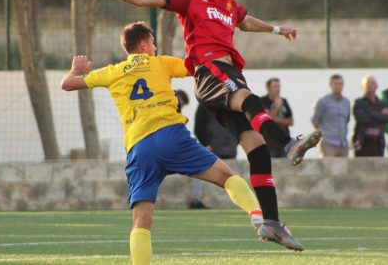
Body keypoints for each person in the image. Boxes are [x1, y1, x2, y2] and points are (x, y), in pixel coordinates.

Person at [85, 0, 321, 249]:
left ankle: (271, 224)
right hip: (211, 70)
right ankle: (289, 143)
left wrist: (277, 29)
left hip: (226, 74)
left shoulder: (230, 6)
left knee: (257, 150)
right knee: (250, 100)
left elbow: (246, 22)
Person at [60, 22, 303, 264]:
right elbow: (198, 67)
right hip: (171, 136)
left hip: (139, 147)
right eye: (152, 43)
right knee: (227, 177)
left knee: (141, 221)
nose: (154, 47)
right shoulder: (160, 62)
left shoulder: (112, 71)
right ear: (144, 45)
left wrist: (75, 69)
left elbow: (68, 84)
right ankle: (258, 216)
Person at [190, 103, 239, 209]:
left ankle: (234, 202)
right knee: (202, 173)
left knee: (230, 176)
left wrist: (236, 142)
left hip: (229, 150)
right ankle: (196, 200)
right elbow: (198, 127)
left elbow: (238, 125)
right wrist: (206, 143)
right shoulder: (204, 105)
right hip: (211, 150)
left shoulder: (231, 103)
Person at [311, 74, 351, 158]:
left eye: (340, 84)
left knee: (343, 170)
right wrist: (323, 135)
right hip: (328, 143)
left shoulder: (346, 102)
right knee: (328, 170)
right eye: (335, 84)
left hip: (343, 143)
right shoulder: (323, 101)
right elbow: (315, 121)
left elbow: (346, 120)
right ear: (331, 85)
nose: (338, 86)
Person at [352, 76, 388, 157]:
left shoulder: (382, 103)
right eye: (367, 83)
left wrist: (370, 113)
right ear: (362, 87)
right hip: (362, 143)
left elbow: (387, 118)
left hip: (378, 143)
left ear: (376, 86)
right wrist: (379, 115)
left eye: (372, 83)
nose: (370, 85)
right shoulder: (358, 102)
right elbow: (361, 119)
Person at [261, 78, 293, 158]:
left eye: (279, 87)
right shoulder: (262, 101)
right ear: (268, 88)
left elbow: (291, 121)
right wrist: (277, 105)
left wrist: (276, 119)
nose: (278, 89)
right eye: (275, 87)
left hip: (284, 143)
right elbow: (267, 121)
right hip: (269, 144)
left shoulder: (284, 101)